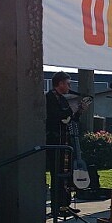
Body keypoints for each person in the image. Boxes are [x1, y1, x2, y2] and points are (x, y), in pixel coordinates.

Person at [45, 72, 85, 212]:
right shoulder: (49, 97)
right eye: (68, 83)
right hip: (55, 141)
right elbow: (55, 117)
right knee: (57, 173)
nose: (70, 86)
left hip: (66, 141)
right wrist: (71, 110)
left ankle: (65, 204)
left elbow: (70, 119)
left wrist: (79, 112)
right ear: (60, 83)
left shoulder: (62, 98)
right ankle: (56, 206)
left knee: (67, 173)